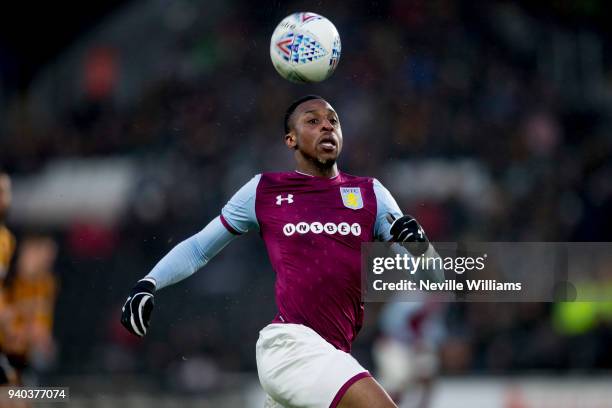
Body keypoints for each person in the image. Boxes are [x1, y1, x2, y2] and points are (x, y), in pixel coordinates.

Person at [121, 95, 434, 408]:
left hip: (333, 355)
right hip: (291, 347)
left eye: (333, 120)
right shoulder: (265, 190)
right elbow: (200, 248)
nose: (327, 125)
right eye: (313, 120)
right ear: (291, 139)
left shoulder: (371, 193)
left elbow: (433, 279)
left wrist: (421, 249)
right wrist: (149, 282)